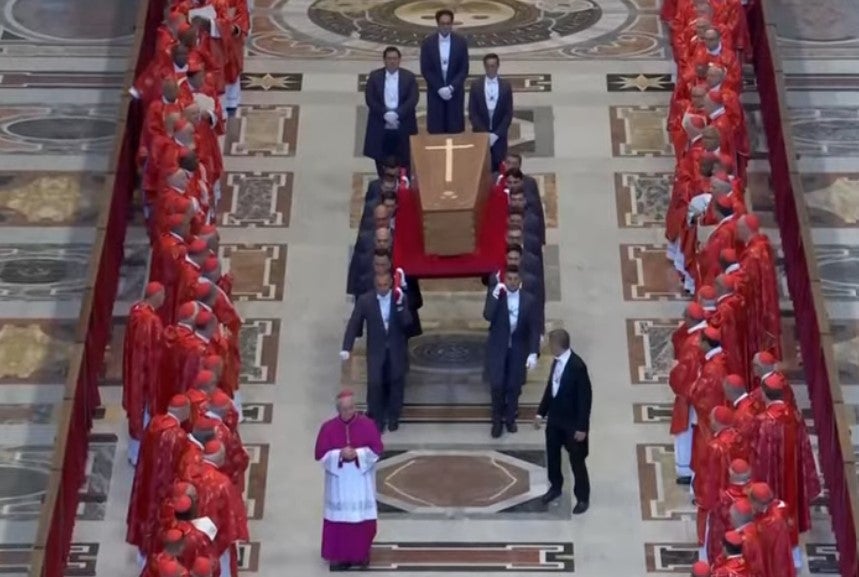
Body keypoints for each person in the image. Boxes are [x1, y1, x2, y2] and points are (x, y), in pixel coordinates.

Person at [754, 373, 821, 566]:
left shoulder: (764, 423)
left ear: (765, 395)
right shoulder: (795, 416)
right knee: (790, 508)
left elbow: (761, 457)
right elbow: (805, 449)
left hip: (771, 478)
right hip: (792, 475)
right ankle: (794, 556)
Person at [314, 390, 384, 570]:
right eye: (345, 409)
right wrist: (339, 454)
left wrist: (358, 453)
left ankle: (360, 555)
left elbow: (377, 449)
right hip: (339, 483)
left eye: (351, 407)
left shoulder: (367, 425)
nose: (349, 412)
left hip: (360, 481)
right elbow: (320, 455)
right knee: (340, 519)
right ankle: (338, 556)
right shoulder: (328, 428)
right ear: (338, 410)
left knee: (360, 519)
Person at [341, 272, 413, 433]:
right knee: (375, 385)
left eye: (385, 285)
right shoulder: (365, 301)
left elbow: (408, 323)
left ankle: (394, 417)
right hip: (376, 351)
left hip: (396, 350)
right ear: (375, 285)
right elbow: (354, 323)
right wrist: (347, 347)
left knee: (396, 384)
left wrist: (401, 306)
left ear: (390, 284)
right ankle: (377, 419)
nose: (382, 289)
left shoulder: (400, 298)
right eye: (379, 286)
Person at [127, 395, 191, 563]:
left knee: (146, 515)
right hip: (165, 488)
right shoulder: (178, 436)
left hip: (148, 481)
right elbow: (180, 467)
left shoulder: (154, 423)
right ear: (184, 411)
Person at [534, 329, 592, 514]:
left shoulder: (577, 366)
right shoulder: (556, 363)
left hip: (572, 425)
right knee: (553, 456)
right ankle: (555, 486)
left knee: (577, 462)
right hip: (555, 421)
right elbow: (551, 389)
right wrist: (541, 413)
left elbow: (585, 398)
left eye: (551, 344)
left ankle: (582, 497)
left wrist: (582, 427)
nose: (549, 347)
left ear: (558, 345)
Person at [483, 266, 540, 437]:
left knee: (514, 387)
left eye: (516, 279)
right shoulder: (496, 295)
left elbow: (533, 328)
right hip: (498, 348)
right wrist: (494, 295)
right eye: (509, 279)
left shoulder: (528, 300)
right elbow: (488, 315)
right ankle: (496, 421)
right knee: (497, 386)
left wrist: (533, 352)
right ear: (504, 279)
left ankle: (510, 420)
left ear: (520, 280)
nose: (513, 282)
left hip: (517, 349)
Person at [124, 282, 166, 466]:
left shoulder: (136, 311)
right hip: (145, 375)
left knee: (136, 408)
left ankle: (135, 451)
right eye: (162, 295)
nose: (164, 299)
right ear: (156, 297)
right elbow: (154, 352)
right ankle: (139, 454)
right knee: (144, 411)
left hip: (135, 369)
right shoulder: (151, 322)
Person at [363, 46, 419, 175]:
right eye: (389, 59)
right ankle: (383, 188)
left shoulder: (409, 77)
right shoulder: (374, 76)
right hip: (381, 125)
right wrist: (385, 113)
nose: (392, 61)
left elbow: (413, 98)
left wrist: (397, 114)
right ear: (384, 60)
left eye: (395, 58)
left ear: (399, 60)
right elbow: (370, 99)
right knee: (381, 160)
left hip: (403, 125)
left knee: (405, 161)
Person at [669, 302, 707, 483]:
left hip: (692, 395)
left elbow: (684, 372)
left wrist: (676, 381)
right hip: (703, 394)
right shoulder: (704, 334)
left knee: (687, 432)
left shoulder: (692, 344)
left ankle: (685, 470)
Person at [419, 9, 469, 134]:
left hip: (455, 94)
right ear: (437, 24)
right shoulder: (427, 43)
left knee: (455, 131)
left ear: (452, 24)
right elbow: (426, 69)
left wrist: (451, 87)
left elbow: (464, 69)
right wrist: (440, 88)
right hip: (436, 94)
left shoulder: (461, 42)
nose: (445, 26)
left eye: (448, 23)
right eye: (443, 23)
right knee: (436, 132)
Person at [467, 53, 513, 171]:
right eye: (488, 66)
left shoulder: (506, 86)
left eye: (493, 66)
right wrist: (485, 133)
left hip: (499, 136)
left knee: (499, 168)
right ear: (484, 67)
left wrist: (496, 134)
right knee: (481, 168)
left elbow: (508, 113)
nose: (490, 69)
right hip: (481, 134)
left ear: (498, 66)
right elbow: (473, 112)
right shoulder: (476, 85)